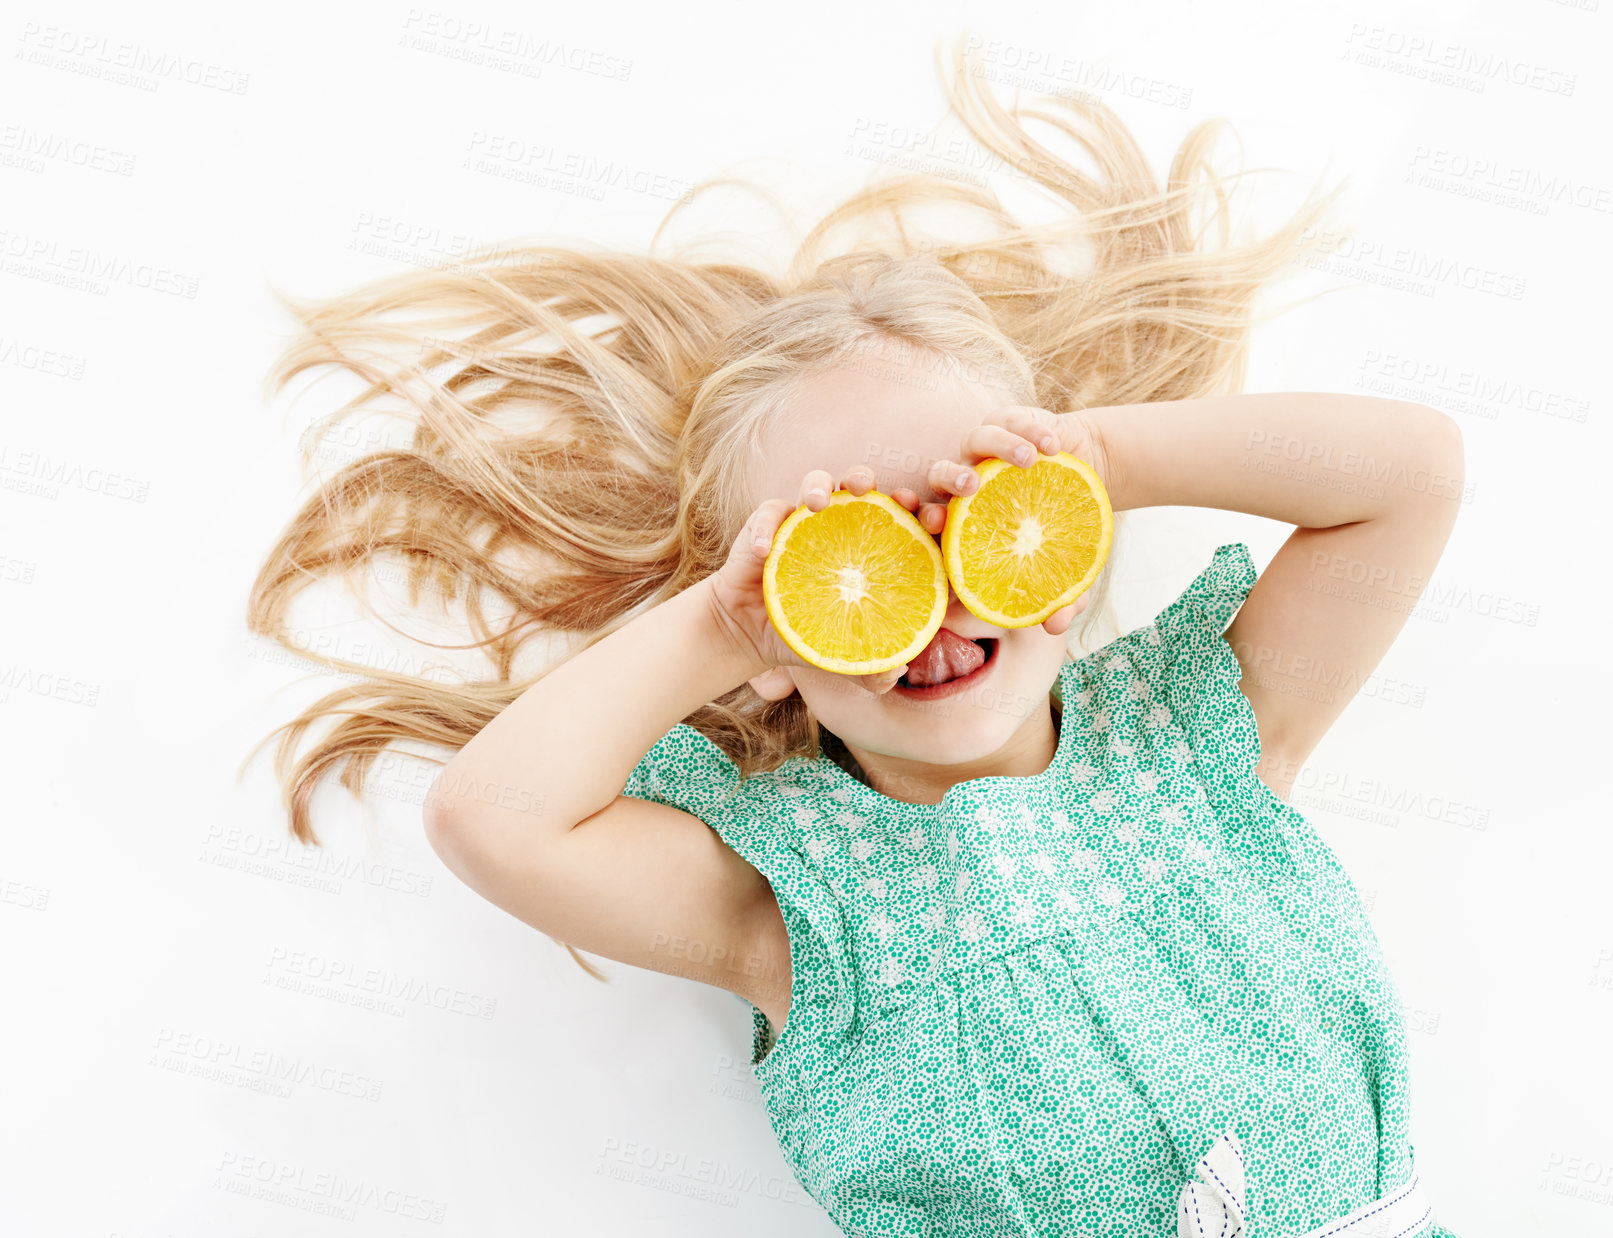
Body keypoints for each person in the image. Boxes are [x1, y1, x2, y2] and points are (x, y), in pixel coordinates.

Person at [246, 35, 1464, 1238]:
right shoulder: (787, 906)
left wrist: (1098, 456)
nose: (931, 602)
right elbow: (486, 817)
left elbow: (1409, 472)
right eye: (847, 562)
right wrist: (720, 622)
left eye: (952, 521)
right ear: (771, 631)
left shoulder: (1204, 739)